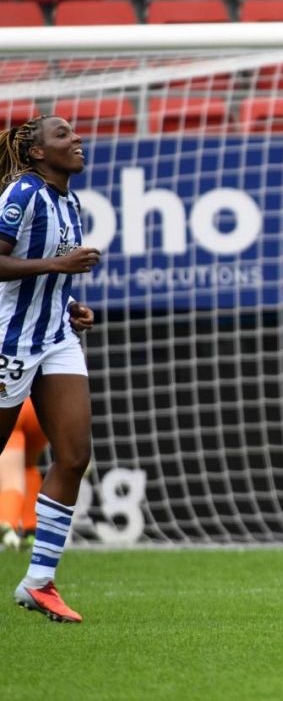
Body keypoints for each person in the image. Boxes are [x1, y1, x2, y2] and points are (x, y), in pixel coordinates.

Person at [0, 115, 100, 624]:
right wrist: (58, 268)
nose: (76, 139)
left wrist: (71, 304)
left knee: (74, 453)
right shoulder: (22, 193)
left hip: (56, 339)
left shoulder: (70, 201)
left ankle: (38, 582)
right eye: (62, 136)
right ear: (37, 152)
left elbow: (45, 280)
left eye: (74, 133)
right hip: (8, 339)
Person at [0, 398, 47, 551]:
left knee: (10, 478)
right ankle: (30, 531)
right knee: (28, 465)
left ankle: (6, 524)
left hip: (8, 400)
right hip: (40, 407)